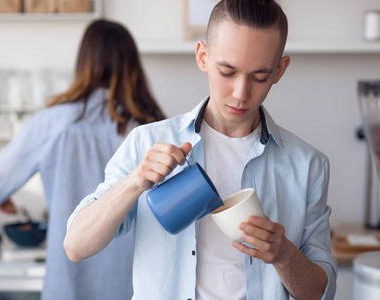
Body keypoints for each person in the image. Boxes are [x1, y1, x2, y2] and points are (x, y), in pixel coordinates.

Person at [64, 0, 337, 299]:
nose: (240, 93)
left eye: (259, 77)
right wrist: (134, 181)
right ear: (203, 56)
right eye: (227, 72)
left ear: (279, 70)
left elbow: (319, 292)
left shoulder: (308, 165)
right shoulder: (147, 143)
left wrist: (284, 255)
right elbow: (76, 246)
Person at [0, 19, 165, 300]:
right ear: (133, 66)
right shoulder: (152, 130)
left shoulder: (51, 124)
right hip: (131, 289)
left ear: (83, 63)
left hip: (66, 288)